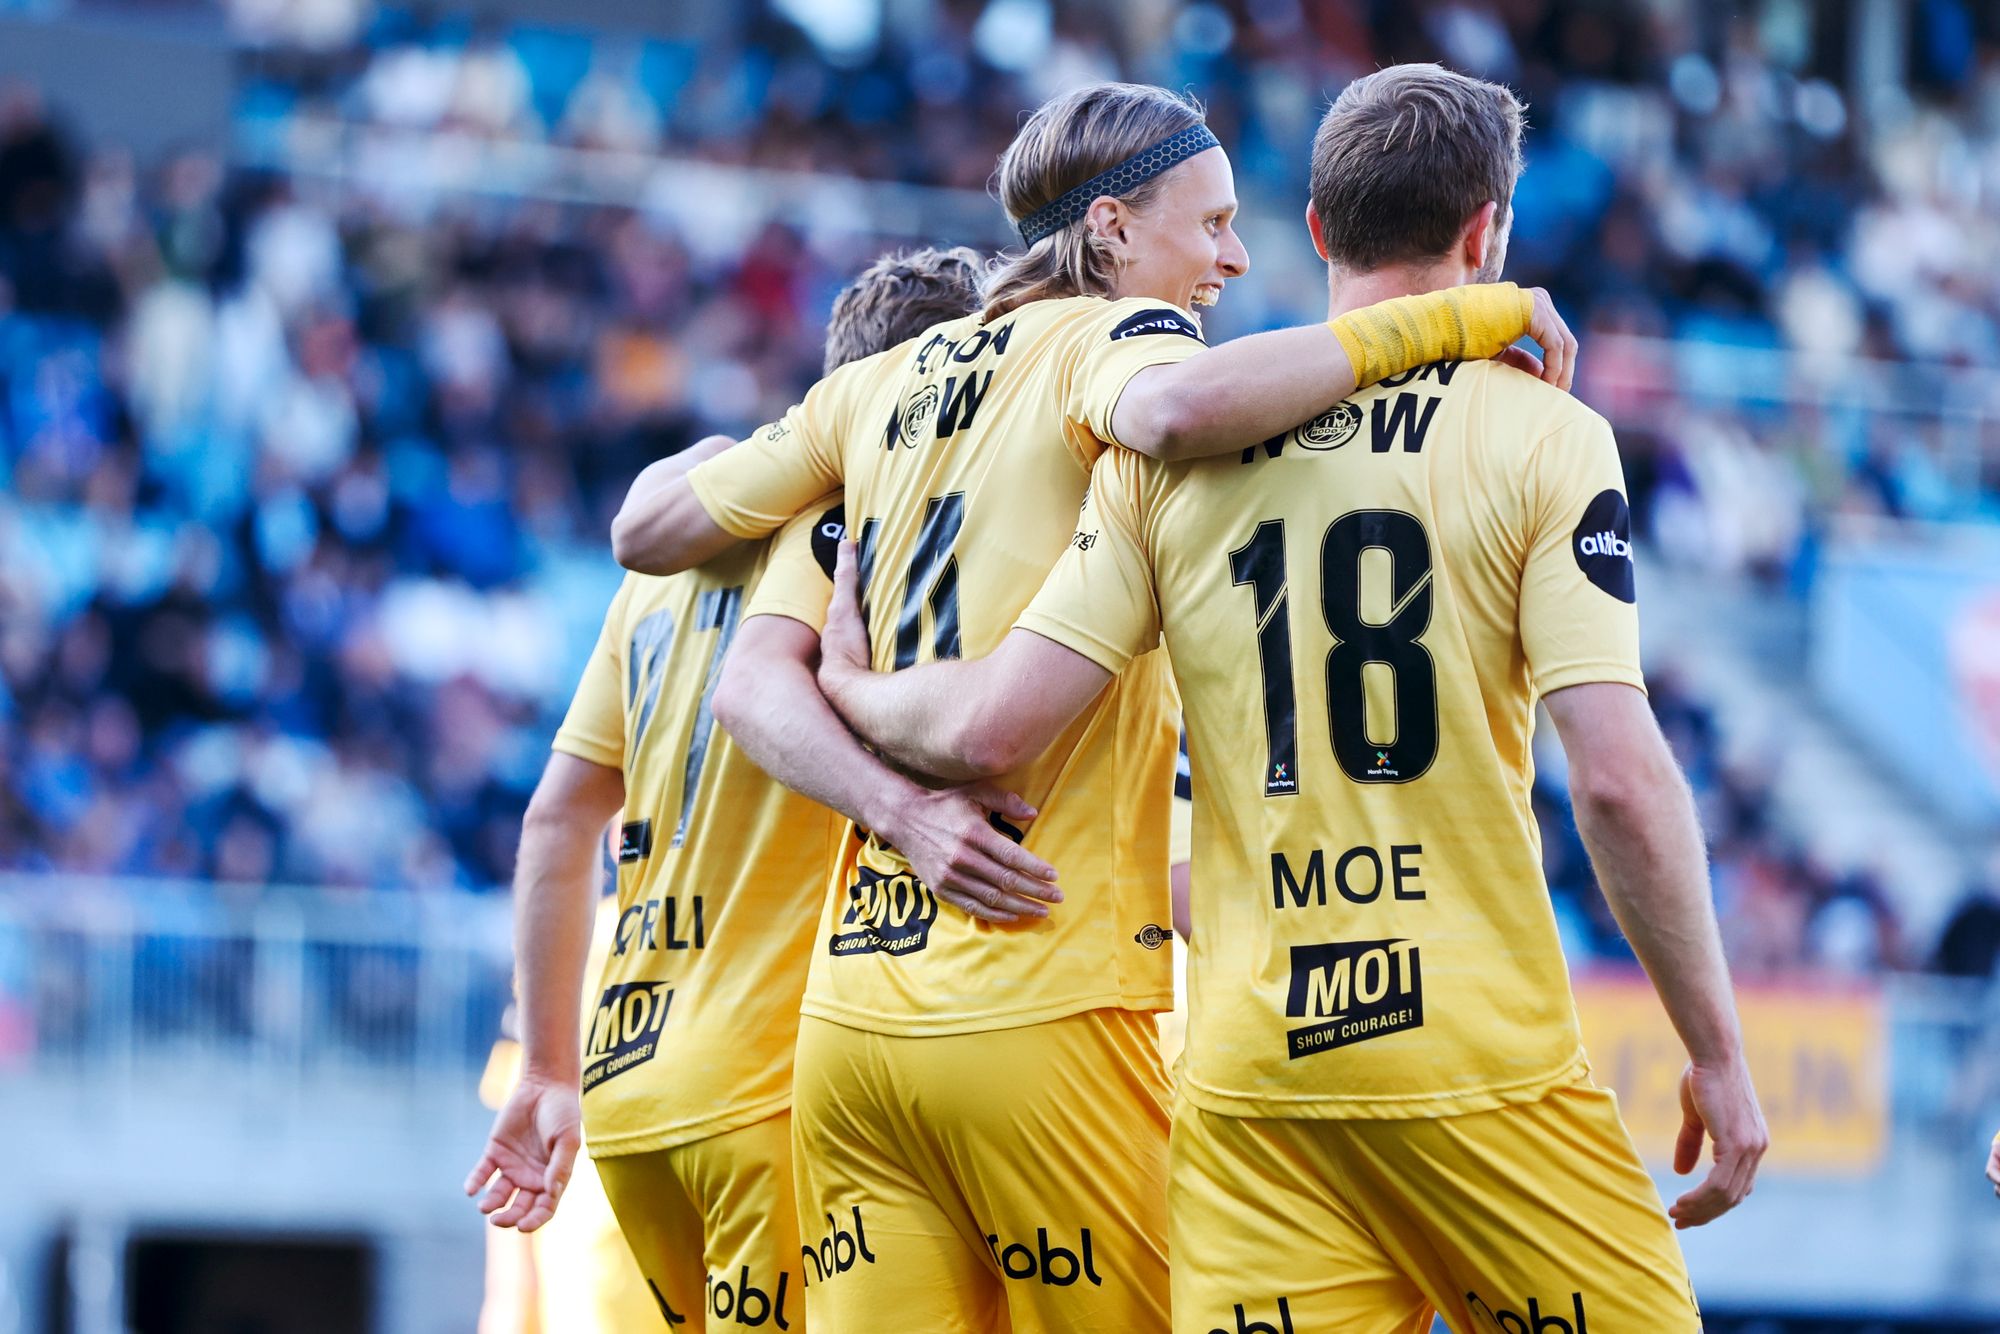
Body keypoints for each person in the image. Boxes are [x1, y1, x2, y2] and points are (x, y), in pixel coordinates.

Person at [810, 65, 1767, 1334]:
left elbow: (992, 726)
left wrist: (858, 692)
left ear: (1316, 230)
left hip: (1255, 1086)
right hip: (1474, 1065)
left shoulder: (1168, 467)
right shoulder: (1542, 432)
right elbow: (1612, 774)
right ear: (1485, 233)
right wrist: (1714, 1046)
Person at [618, 80, 1572, 1333]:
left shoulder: (876, 386)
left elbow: (646, 529)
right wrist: (1452, 317)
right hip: (1042, 996)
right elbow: (1178, 411)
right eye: (1213, 223)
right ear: (1112, 229)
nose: (1233, 256)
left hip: (852, 1033)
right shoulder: (1117, 338)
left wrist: (895, 805)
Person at [463, 246, 1026, 1332]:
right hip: (775, 1088)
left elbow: (558, 816)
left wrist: (544, 1062)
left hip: (629, 1086)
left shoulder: (671, 563)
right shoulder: (880, 541)